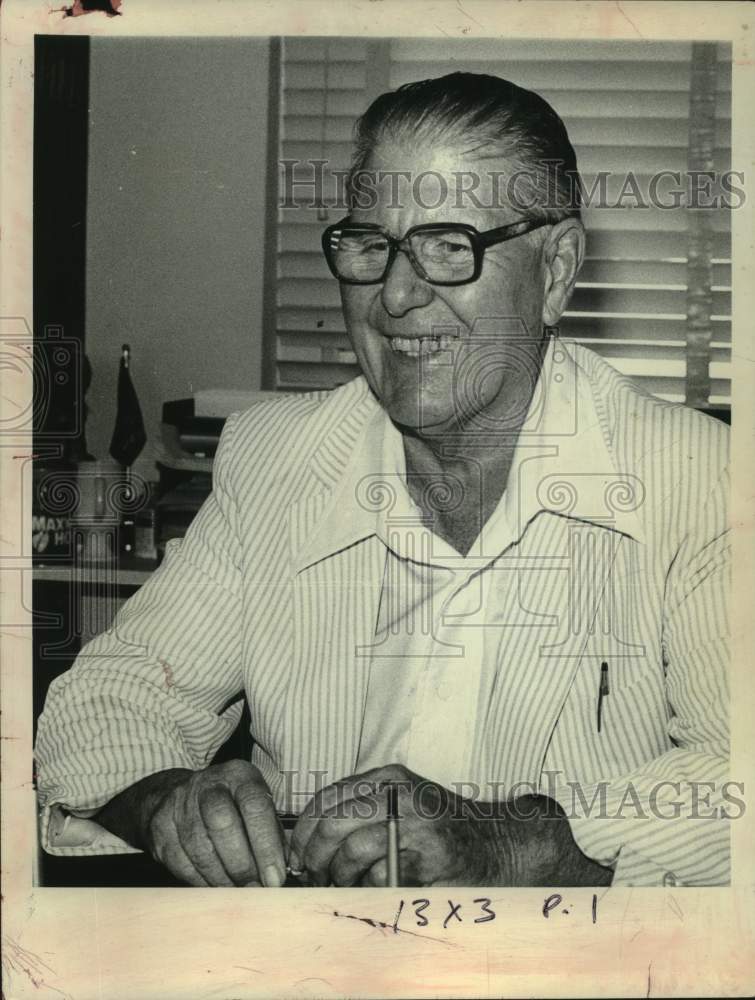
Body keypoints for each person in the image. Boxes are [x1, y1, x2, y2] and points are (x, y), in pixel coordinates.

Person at [35, 72, 730, 888]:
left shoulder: (698, 479)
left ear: (555, 271)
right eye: (370, 245)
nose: (394, 297)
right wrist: (167, 802)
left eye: (448, 246)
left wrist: (512, 844)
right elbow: (107, 698)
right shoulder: (275, 460)